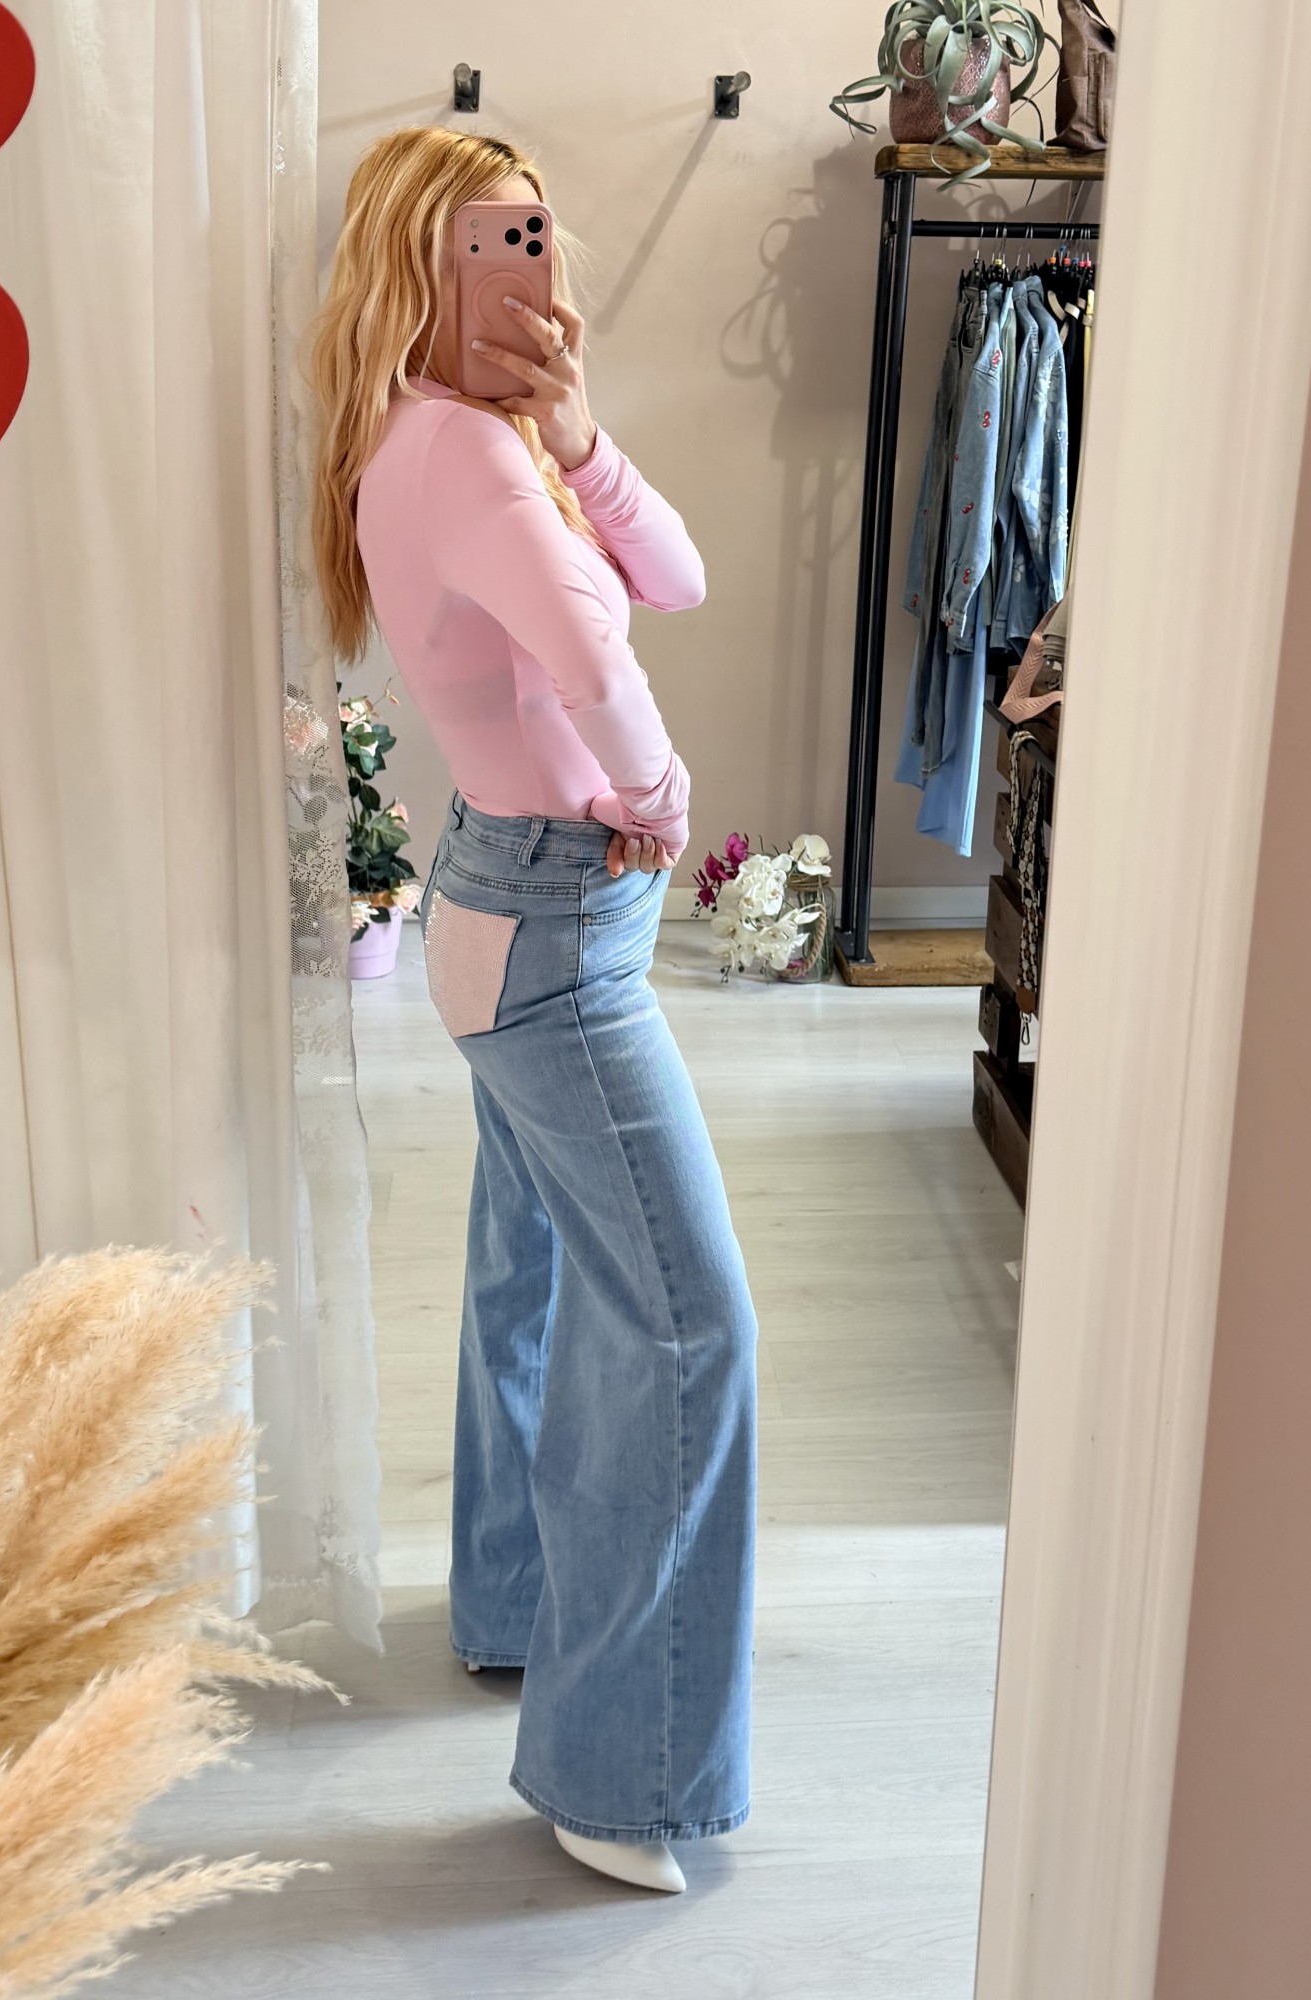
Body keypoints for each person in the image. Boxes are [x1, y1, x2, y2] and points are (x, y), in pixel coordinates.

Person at [309, 125, 758, 1897]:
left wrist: (579, 432)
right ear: (415, 269)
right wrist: (658, 792)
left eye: (534, 236)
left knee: (544, 1273)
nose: (526, 266)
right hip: (558, 929)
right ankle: (617, 1776)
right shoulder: (460, 459)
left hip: (513, 911)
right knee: (688, 1325)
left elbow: (677, 575)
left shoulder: (456, 440)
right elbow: (598, 646)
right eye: (483, 242)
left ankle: (509, 1606)